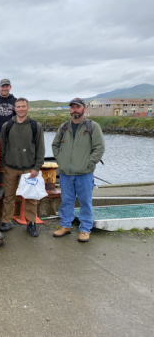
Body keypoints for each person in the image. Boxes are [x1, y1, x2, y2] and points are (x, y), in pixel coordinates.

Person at [52, 98, 105, 243]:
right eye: (72, 107)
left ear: (84, 109)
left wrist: (89, 164)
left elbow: (99, 148)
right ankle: (65, 226)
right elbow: (55, 145)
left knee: (85, 202)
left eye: (78, 107)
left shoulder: (92, 127)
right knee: (66, 201)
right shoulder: (64, 127)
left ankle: (85, 229)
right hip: (66, 174)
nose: (75, 110)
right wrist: (61, 161)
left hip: (84, 174)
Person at [0, 98, 45, 237]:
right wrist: (4, 165)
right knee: (8, 197)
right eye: (18, 106)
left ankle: (31, 224)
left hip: (29, 169)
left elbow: (40, 149)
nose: (20, 109)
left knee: (31, 197)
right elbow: (2, 148)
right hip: (10, 168)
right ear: (14, 108)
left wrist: (36, 167)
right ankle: (6, 221)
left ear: (28, 107)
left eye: (23, 106)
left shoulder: (35, 126)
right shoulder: (6, 126)